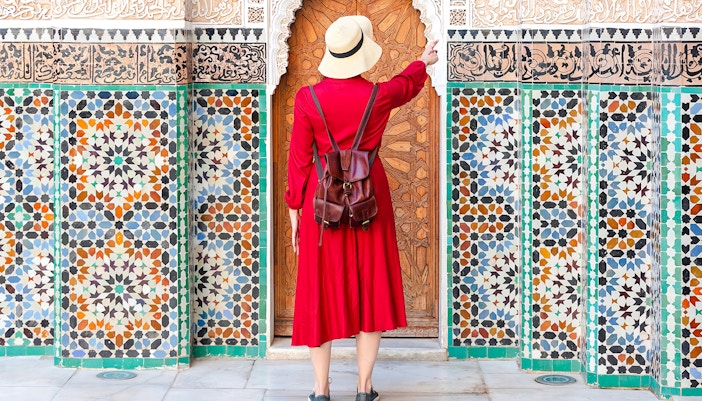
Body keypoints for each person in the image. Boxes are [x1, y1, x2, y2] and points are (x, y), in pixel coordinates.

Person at [285, 15, 439, 401]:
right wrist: (422, 61)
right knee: (370, 286)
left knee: (318, 291)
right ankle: (363, 388)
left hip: (321, 207)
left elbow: (299, 160)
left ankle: (320, 390)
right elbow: (404, 86)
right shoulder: (378, 95)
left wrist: (293, 209)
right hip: (370, 202)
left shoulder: (307, 98)